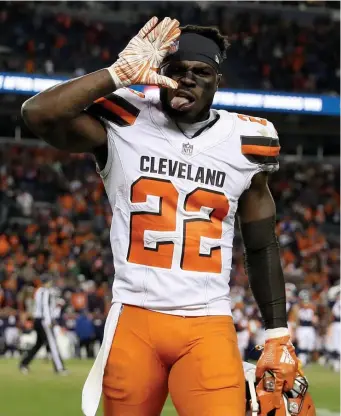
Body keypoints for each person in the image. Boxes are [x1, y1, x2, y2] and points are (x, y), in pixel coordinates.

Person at [21, 16, 299, 416]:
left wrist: (277, 332)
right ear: (158, 73)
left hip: (207, 322)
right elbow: (39, 114)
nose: (186, 80)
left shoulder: (248, 141)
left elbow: (260, 243)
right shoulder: (127, 119)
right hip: (134, 319)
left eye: (200, 72)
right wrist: (116, 74)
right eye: (176, 70)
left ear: (218, 80)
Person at [19, 274, 66, 374]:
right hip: (44, 320)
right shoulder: (45, 291)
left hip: (38, 320)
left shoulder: (40, 291)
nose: (51, 283)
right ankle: (59, 368)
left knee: (38, 344)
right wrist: (49, 321)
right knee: (52, 343)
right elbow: (45, 306)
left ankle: (24, 363)